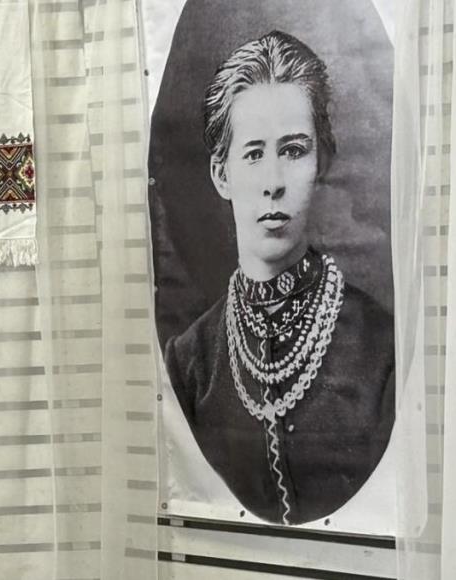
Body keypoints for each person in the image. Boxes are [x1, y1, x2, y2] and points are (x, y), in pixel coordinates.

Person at [163, 31, 395, 526]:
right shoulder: (189, 362)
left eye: (293, 150)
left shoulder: (382, 348)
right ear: (221, 174)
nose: (273, 182)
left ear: (321, 162)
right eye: (253, 154)